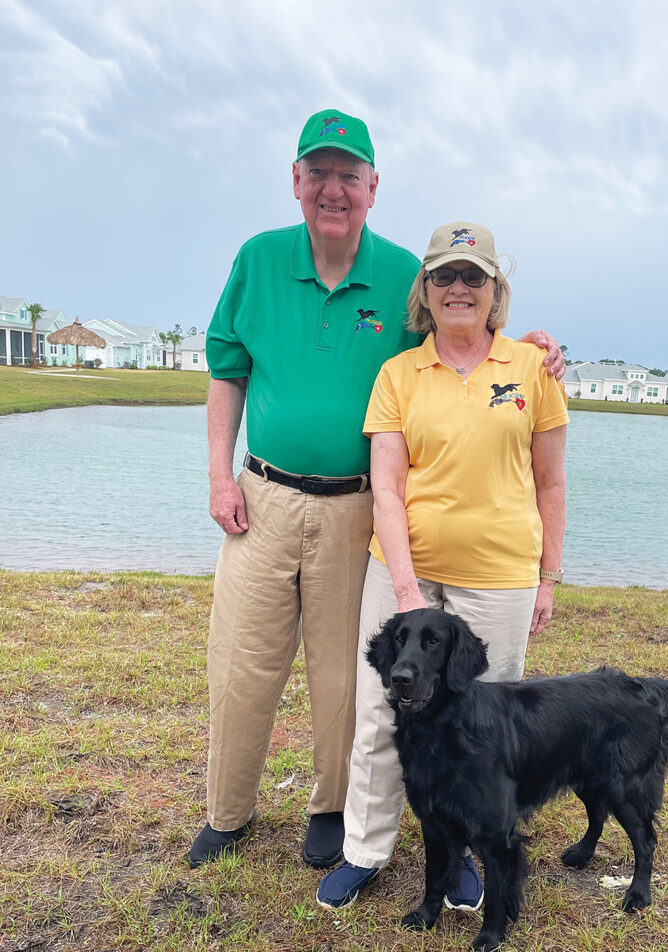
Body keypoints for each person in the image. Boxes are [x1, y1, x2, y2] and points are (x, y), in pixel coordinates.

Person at [188, 111, 566, 871]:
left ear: (372, 187)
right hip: (261, 497)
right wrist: (219, 474)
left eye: (348, 175)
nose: (333, 189)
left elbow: (461, 335)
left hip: (355, 504)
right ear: (296, 180)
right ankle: (228, 811)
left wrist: (528, 348)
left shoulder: (400, 271)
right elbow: (227, 372)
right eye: (318, 172)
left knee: (343, 676)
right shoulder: (258, 259)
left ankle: (331, 811)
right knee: (241, 662)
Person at [317, 222, 568, 910]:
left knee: (481, 725)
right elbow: (388, 486)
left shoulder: (531, 369)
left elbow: (550, 484)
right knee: (381, 713)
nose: (459, 288)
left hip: (502, 576)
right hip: (406, 569)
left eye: (473, 276)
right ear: (424, 292)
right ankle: (365, 850)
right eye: (444, 277)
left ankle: (463, 854)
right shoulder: (399, 373)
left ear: (495, 291)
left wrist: (547, 577)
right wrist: (404, 586)